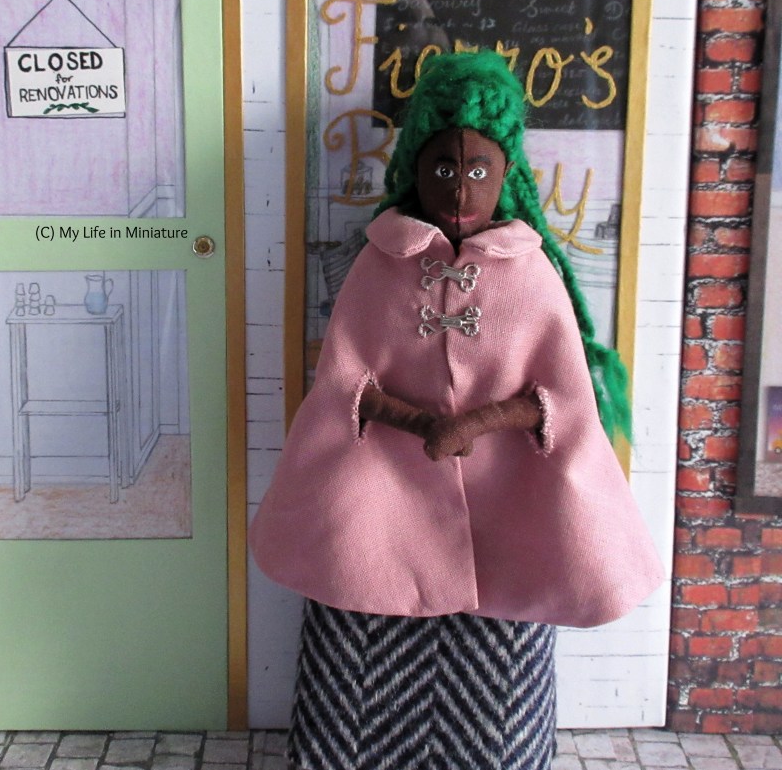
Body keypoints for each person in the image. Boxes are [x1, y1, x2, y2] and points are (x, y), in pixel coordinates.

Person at [249, 50, 664, 770]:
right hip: (382, 500)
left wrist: (474, 422)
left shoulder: (532, 271)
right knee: (357, 612)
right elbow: (344, 380)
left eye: (478, 169)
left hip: (508, 509)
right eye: (443, 166)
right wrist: (415, 421)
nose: (461, 186)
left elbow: (559, 397)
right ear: (416, 164)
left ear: (507, 174)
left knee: (502, 651)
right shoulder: (379, 261)